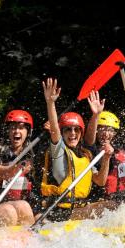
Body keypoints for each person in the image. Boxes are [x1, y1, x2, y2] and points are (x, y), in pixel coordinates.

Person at [40, 77, 114, 221]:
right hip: (60, 213)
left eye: (76, 130)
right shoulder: (58, 152)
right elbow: (55, 131)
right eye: (68, 130)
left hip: (79, 210)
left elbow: (100, 181)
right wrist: (50, 103)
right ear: (62, 133)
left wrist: (106, 158)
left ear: (81, 133)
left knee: (112, 205)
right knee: (107, 207)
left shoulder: (85, 155)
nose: (73, 133)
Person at [83, 109, 125, 204]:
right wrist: (95, 115)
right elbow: (89, 141)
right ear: (96, 130)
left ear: (114, 133)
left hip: (118, 198)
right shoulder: (91, 149)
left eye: (110, 130)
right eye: (102, 129)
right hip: (100, 200)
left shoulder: (117, 150)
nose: (106, 134)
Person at [0, 109, 40, 214]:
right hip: (1, 206)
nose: (17, 131)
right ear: (7, 131)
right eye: (13, 128)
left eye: (21, 128)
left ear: (28, 132)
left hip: (25, 206)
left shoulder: (33, 154)